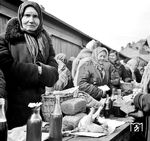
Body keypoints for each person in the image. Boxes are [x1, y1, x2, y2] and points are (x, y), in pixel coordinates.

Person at [0, 1, 58, 129]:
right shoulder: (6, 40)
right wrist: (39, 70)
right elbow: (7, 68)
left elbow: (54, 75)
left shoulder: (45, 43)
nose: (31, 20)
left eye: (35, 16)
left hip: (40, 109)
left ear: (40, 19)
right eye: (27, 15)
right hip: (15, 111)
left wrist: (41, 71)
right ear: (20, 17)